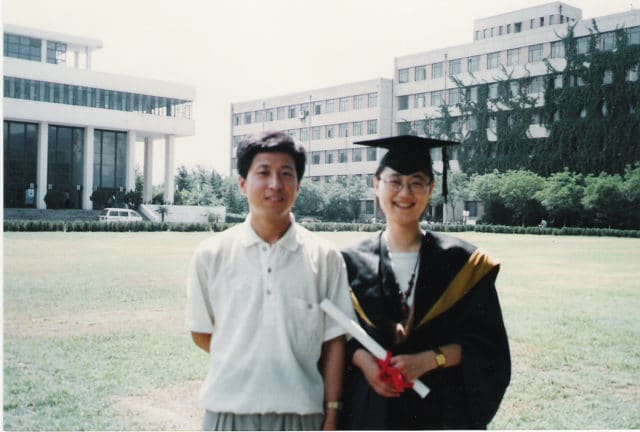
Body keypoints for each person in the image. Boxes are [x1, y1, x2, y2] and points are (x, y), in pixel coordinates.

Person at [185, 130, 355, 431]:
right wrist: (250, 358)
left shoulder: (326, 257)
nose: (275, 184)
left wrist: (332, 411)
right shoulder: (211, 255)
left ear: (298, 186)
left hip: (301, 417)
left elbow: (334, 342)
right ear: (242, 183)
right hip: (228, 415)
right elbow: (202, 333)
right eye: (263, 172)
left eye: (286, 174)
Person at [340, 135, 511, 429]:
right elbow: (333, 341)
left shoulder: (464, 264)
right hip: (371, 411)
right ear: (376, 184)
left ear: (431, 189)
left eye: (417, 182)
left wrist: (432, 359)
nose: (405, 193)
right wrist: (363, 362)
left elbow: (488, 348)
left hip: (442, 410)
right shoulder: (347, 263)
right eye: (394, 181)